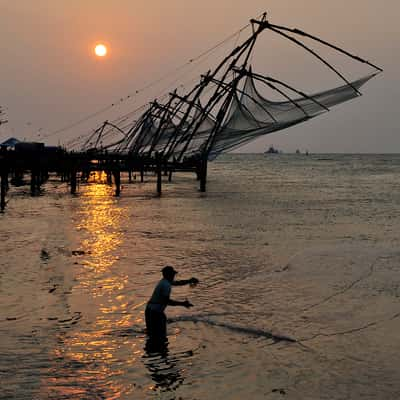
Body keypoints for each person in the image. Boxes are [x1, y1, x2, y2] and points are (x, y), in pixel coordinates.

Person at [145, 266, 199, 339]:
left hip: (151, 311)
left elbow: (177, 283)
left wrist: (189, 281)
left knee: (153, 334)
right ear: (168, 275)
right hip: (154, 313)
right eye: (173, 274)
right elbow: (167, 301)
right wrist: (183, 304)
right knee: (159, 335)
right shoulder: (166, 285)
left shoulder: (164, 281)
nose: (174, 275)